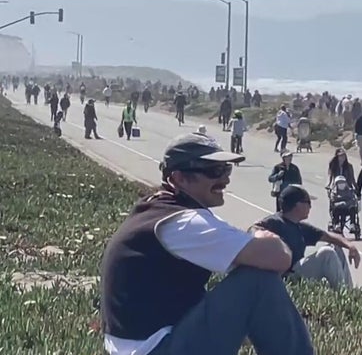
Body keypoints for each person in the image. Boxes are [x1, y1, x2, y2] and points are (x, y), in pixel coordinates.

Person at [100, 132, 314, 355]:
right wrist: (259, 235)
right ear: (179, 178)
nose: (225, 179)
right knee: (258, 281)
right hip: (157, 349)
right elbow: (278, 258)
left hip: (146, 344)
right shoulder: (185, 223)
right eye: (214, 171)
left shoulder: (157, 208)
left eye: (226, 169)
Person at [251, 185, 361, 290]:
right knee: (327, 253)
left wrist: (350, 246)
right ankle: (344, 295)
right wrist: (267, 238)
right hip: (287, 277)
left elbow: (329, 236)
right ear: (297, 205)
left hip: (298, 271)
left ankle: (350, 295)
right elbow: (254, 228)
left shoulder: (300, 227)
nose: (310, 207)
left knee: (336, 248)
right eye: (308, 203)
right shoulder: (275, 221)